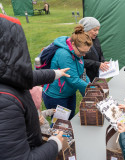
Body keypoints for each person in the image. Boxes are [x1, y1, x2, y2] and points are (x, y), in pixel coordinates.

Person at [0, 14, 71, 159]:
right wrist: (55, 143)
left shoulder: (6, 76)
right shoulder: (5, 102)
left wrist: (55, 73)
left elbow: (23, 76)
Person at [42, 24, 92, 120]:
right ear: (73, 44)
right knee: (60, 124)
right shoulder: (64, 55)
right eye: (82, 52)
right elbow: (73, 79)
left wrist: (89, 85)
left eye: (86, 52)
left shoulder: (77, 51)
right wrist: (92, 90)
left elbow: (82, 73)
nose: (84, 55)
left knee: (70, 120)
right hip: (56, 95)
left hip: (69, 93)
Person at [79, 17, 109, 82]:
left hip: (95, 73)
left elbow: (100, 53)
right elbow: (80, 61)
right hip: (85, 75)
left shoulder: (96, 39)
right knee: (87, 90)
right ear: (87, 29)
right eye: (94, 30)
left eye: (98, 30)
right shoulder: (80, 42)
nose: (97, 33)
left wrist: (103, 61)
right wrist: (97, 64)